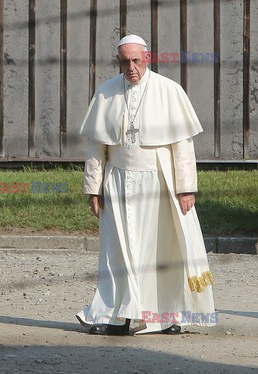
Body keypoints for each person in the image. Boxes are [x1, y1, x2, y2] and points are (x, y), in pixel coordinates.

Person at [76, 34, 216, 335]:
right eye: (124, 62)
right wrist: (93, 189)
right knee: (119, 252)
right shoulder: (106, 93)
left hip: (159, 183)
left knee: (162, 250)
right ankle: (117, 316)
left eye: (136, 61)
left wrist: (186, 188)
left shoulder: (169, 91)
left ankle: (165, 316)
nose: (131, 68)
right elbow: (96, 148)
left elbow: (182, 146)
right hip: (118, 183)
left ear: (147, 58)